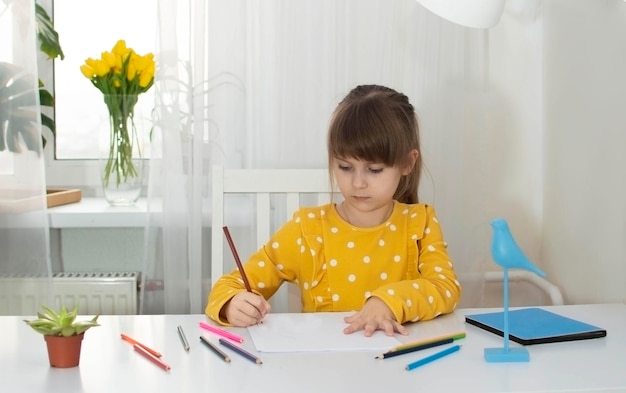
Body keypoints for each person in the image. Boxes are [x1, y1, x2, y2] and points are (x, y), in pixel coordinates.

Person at [206, 84, 461, 337]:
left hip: (400, 363)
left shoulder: (420, 223)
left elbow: (445, 288)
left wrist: (389, 301)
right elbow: (230, 284)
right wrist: (232, 304)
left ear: (407, 163)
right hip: (323, 368)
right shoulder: (307, 229)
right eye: (345, 167)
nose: (358, 183)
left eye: (374, 170)